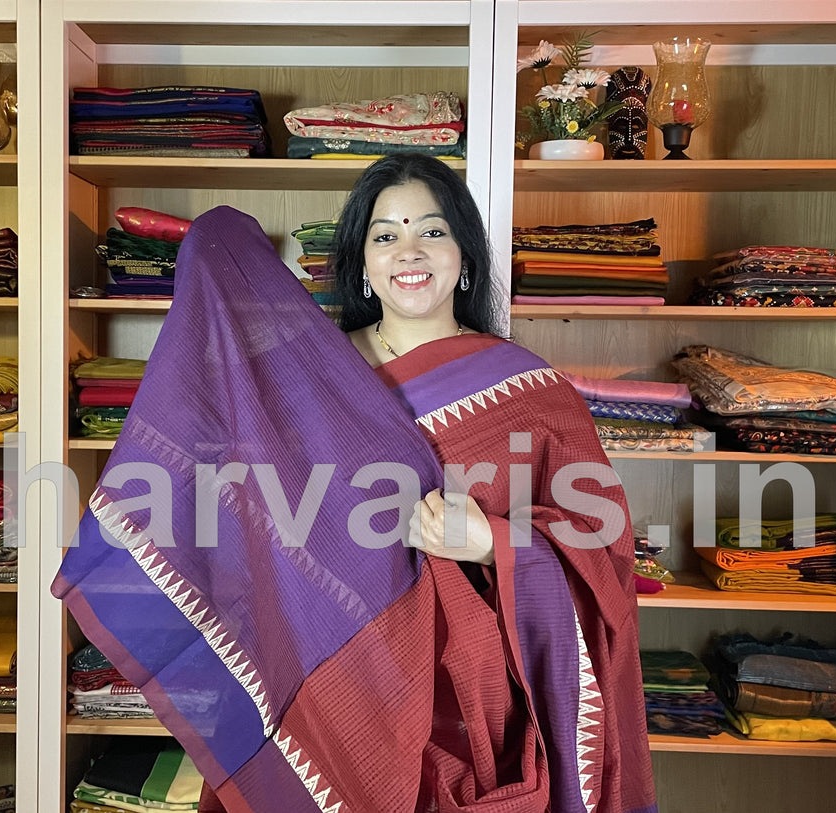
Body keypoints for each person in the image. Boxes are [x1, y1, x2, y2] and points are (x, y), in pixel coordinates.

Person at [53, 154, 656, 813]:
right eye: (384, 235)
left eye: (431, 230)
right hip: (336, 686)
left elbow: (603, 549)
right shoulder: (304, 381)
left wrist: (494, 542)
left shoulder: (531, 392)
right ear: (361, 264)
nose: (408, 252)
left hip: (480, 715)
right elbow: (243, 512)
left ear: (465, 254)